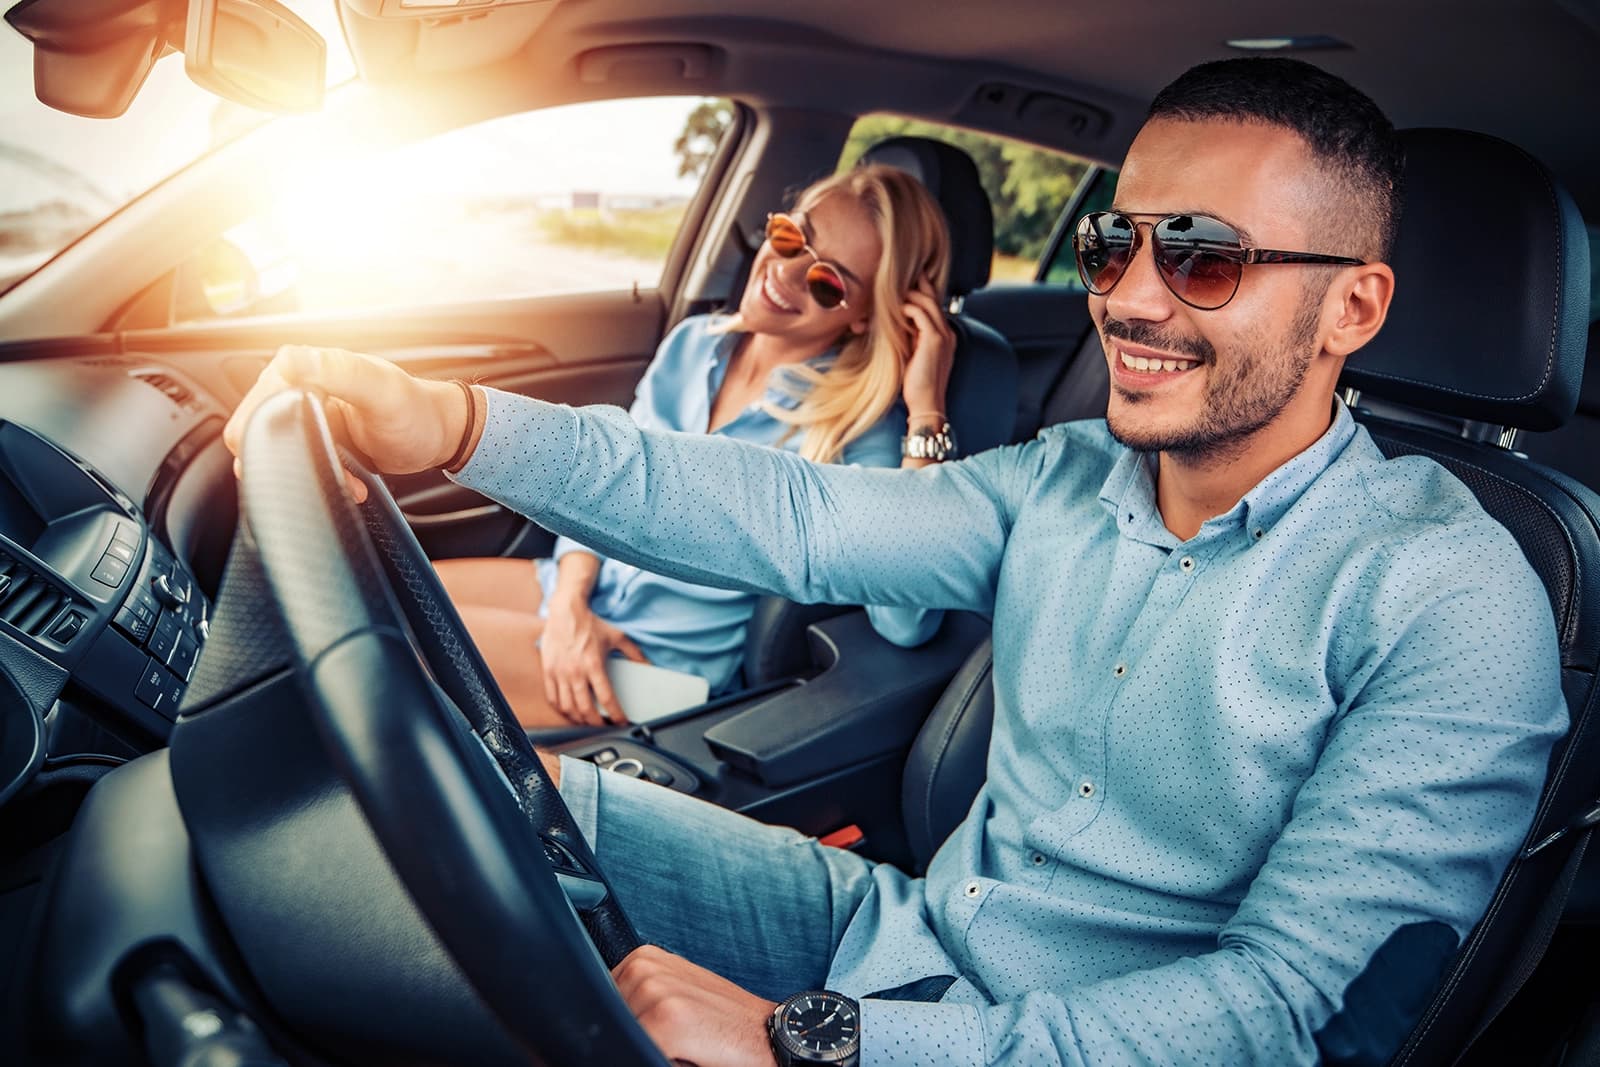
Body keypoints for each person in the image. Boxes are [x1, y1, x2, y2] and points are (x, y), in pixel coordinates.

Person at [224, 58, 1566, 1067]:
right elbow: (787, 516)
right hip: (898, 927)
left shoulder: (1452, 594)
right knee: (484, 789)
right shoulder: (1065, 478)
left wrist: (812, 1037)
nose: (1132, 300)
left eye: (1206, 256)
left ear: (1354, 305)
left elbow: (1283, 1010)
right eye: (1119, 241)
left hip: (1054, 1038)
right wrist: (452, 422)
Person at [434, 164, 956, 728]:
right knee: (383, 585)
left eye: (828, 282)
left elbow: (906, 621)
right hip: (582, 592)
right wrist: (569, 603)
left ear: (863, 317)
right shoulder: (692, 345)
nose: (784, 271)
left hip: (655, 664)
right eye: (791, 238)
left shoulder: (857, 428)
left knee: (394, 644)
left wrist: (926, 411)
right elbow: (599, 482)